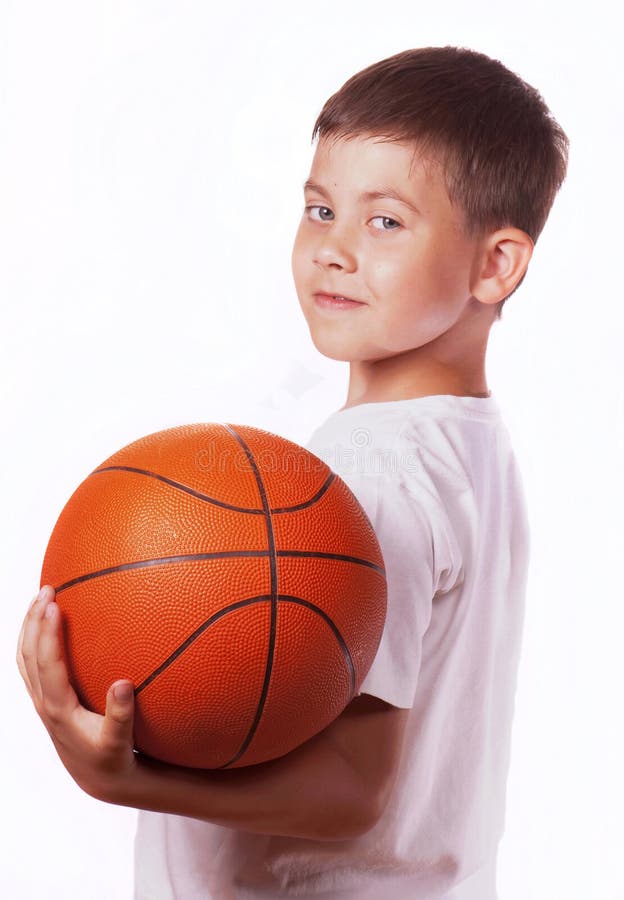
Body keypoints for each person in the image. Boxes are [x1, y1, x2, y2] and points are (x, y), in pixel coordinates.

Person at [17, 46, 568, 899]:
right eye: (319, 210)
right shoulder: (474, 449)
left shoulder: (368, 471)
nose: (332, 251)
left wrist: (120, 778)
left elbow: (354, 790)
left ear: (495, 265)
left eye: (384, 222)